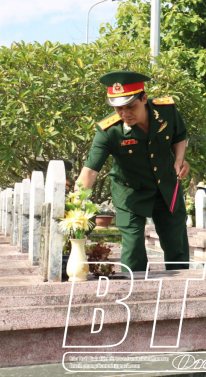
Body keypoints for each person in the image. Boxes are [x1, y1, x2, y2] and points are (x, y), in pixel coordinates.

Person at [75, 71, 190, 272]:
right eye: (119, 109)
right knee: (133, 246)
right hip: (130, 192)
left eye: (130, 107)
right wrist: (74, 207)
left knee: (175, 242)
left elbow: (179, 135)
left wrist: (179, 160)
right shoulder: (109, 130)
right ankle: (135, 291)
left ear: (144, 99)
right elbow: (90, 171)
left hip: (166, 187)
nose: (125, 114)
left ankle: (182, 291)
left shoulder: (166, 111)